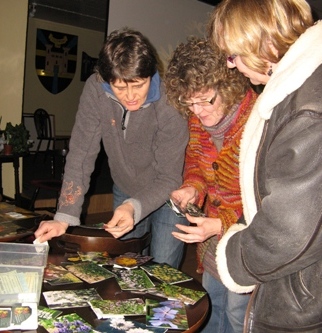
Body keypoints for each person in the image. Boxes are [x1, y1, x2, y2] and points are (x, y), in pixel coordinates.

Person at [207, 0, 322, 332]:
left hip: (306, 300)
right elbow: (273, 190)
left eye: (234, 54)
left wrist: (231, 256)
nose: (231, 66)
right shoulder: (296, 89)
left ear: (265, 42)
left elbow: (289, 231)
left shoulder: (308, 107)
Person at [34, 27, 189, 268]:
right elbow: (81, 156)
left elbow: (169, 177)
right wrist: (64, 216)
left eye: (138, 85)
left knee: (162, 269)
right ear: (106, 80)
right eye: (119, 88)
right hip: (125, 185)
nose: (130, 97)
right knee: (125, 266)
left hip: (171, 196)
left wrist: (133, 207)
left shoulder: (171, 100)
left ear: (151, 74)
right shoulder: (96, 90)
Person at [164, 37, 258, 332]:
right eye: (188, 102)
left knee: (236, 315)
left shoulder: (258, 120)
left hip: (246, 243)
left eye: (206, 100)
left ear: (227, 86)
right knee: (211, 307)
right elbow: (196, 163)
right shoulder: (198, 119)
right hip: (212, 245)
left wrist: (221, 224)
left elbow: (266, 201)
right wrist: (192, 187)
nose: (197, 111)